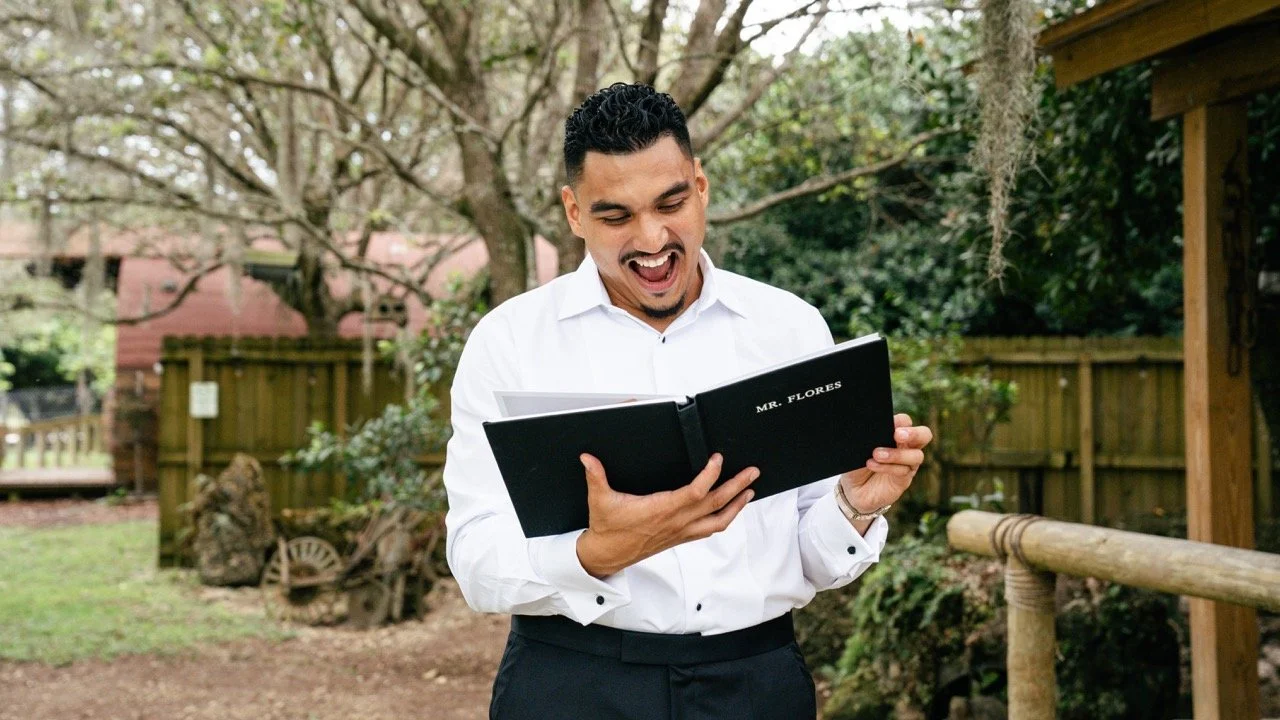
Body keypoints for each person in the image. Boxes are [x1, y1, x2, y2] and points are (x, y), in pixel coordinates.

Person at [443, 82, 933, 720]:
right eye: (615, 215)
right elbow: (476, 564)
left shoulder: (790, 328)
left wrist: (854, 505)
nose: (651, 239)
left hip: (757, 686)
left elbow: (812, 560)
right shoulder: (507, 343)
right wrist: (597, 552)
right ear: (572, 211)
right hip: (570, 687)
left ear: (700, 187)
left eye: (670, 202)